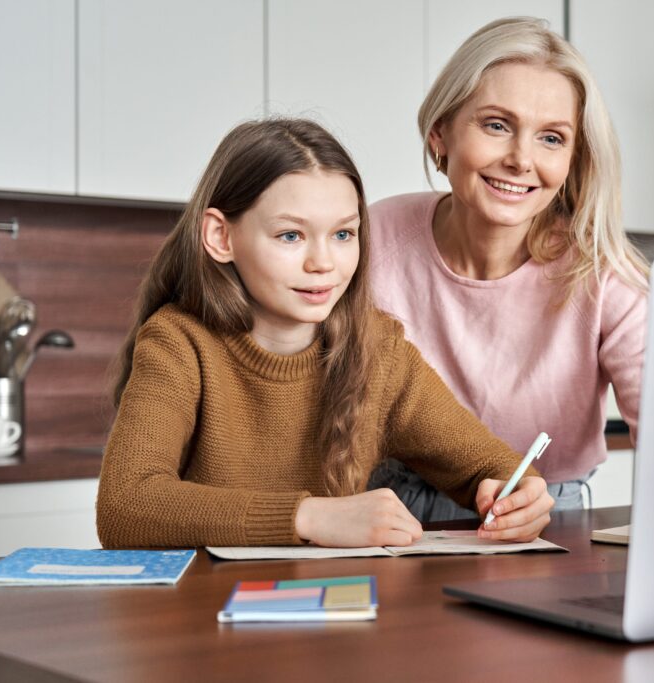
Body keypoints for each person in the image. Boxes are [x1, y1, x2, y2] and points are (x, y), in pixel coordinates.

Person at [96, 118, 554, 549]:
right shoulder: (179, 343)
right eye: (291, 236)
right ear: (221, 236)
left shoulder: (379, 350)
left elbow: (488, 465)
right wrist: (311, 517)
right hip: (204, 615)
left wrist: (523, 494)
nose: (324, 263)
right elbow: (126, 506)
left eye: (343, 235)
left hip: (331, 609)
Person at [368, 17, 649, 520]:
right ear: (440, 134)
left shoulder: (604, 275)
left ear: (571, 160)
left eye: (551, 138)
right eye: (497, 125)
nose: (522, 160)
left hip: (555, 519)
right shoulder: (373, 238)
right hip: (390, 512)